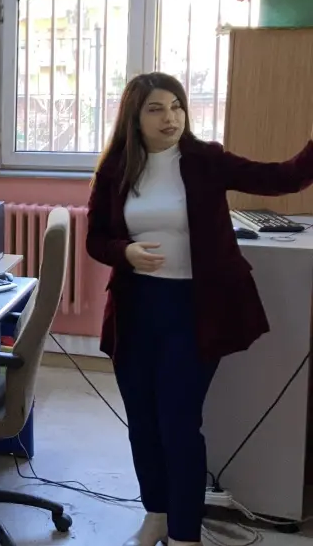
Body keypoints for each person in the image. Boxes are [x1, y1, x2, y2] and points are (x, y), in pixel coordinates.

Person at [87, 72, 313, 546]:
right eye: (156, 109)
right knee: (142, 421)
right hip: (135, 308)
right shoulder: (116, 168)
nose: (170, 118)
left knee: (178, 423)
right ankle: (156, 513)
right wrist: (125, 251)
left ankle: (185, 533)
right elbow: (96, 239)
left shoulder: (205, 159)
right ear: (134, 117)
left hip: (194, 309)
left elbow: (282, 178)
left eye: (176, 106)